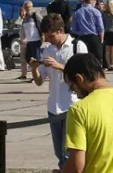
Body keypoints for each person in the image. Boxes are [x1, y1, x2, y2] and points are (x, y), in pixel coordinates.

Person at [32, 13, 88, 172]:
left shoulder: (78, 46)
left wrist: (59, 66)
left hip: (73, 106)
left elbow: (84, 74)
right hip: (53, 106)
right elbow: (39, 81)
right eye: (46, 37)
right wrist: (34, 68)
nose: (49, 40)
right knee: (59, 152)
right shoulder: (48, 50)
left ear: (61, 30)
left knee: (69, 152)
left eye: (51, 36)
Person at [69, 0, 105, 64]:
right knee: (96, 61)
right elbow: (100, 27)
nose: (95, 2)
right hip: (94, 37)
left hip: (82, 38)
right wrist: (101, 40)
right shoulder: (96, 11)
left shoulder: (78, 12)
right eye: (95, 0)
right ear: (91, 1)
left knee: (84, 61)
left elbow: (73, 29)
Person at [19, 1, 44, 81]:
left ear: (32, 7)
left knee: (36, 58)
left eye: (29, 7)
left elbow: (42, 24)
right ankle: (36, 72)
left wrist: (43, 35)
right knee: (27, 58)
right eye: (26, 7)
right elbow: (24, 28)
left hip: (36, 40)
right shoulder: (25, 17)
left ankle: (38, 76)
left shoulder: (35, 15)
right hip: (29, 41)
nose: (28, 8)